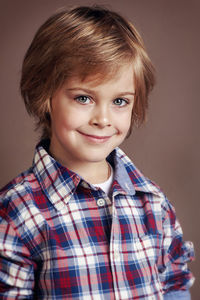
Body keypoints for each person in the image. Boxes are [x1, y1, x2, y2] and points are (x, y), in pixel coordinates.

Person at [0, 5, 194, 299]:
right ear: (45, 95)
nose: (103, 119)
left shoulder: (154, 204)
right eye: (83, 97)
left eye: (119, 101)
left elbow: (175, 285)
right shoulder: (17, 212)